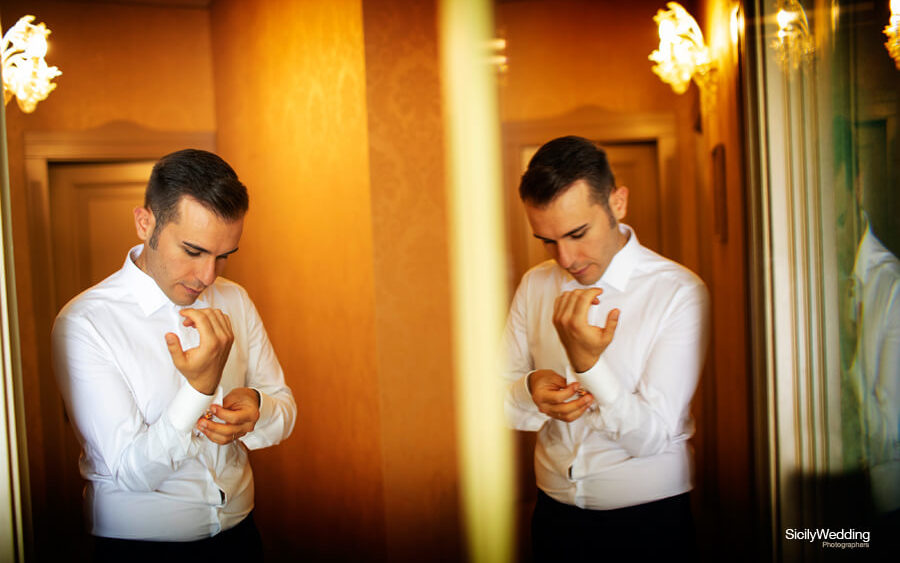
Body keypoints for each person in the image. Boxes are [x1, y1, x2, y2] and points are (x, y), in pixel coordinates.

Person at [51, 149, 296, 561]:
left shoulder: (234, 299)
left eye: (223, 256)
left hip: (241, 535)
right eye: (193, 251)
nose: (208, 276)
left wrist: (256, 408)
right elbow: (132, 473)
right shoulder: (85, 323)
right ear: (145, 223)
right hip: (139, 548)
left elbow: (284, 407)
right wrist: (200, 388)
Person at [502, 136, 709, 560]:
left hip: (648, 523)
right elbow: (491, 396)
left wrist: (589, 364)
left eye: (578, 233)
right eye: (547, 240)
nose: (565, 257)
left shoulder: (679, 292)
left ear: (618, 203)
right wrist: (529, 388)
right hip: (553, 515)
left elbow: (651, 439)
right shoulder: (534, 285)